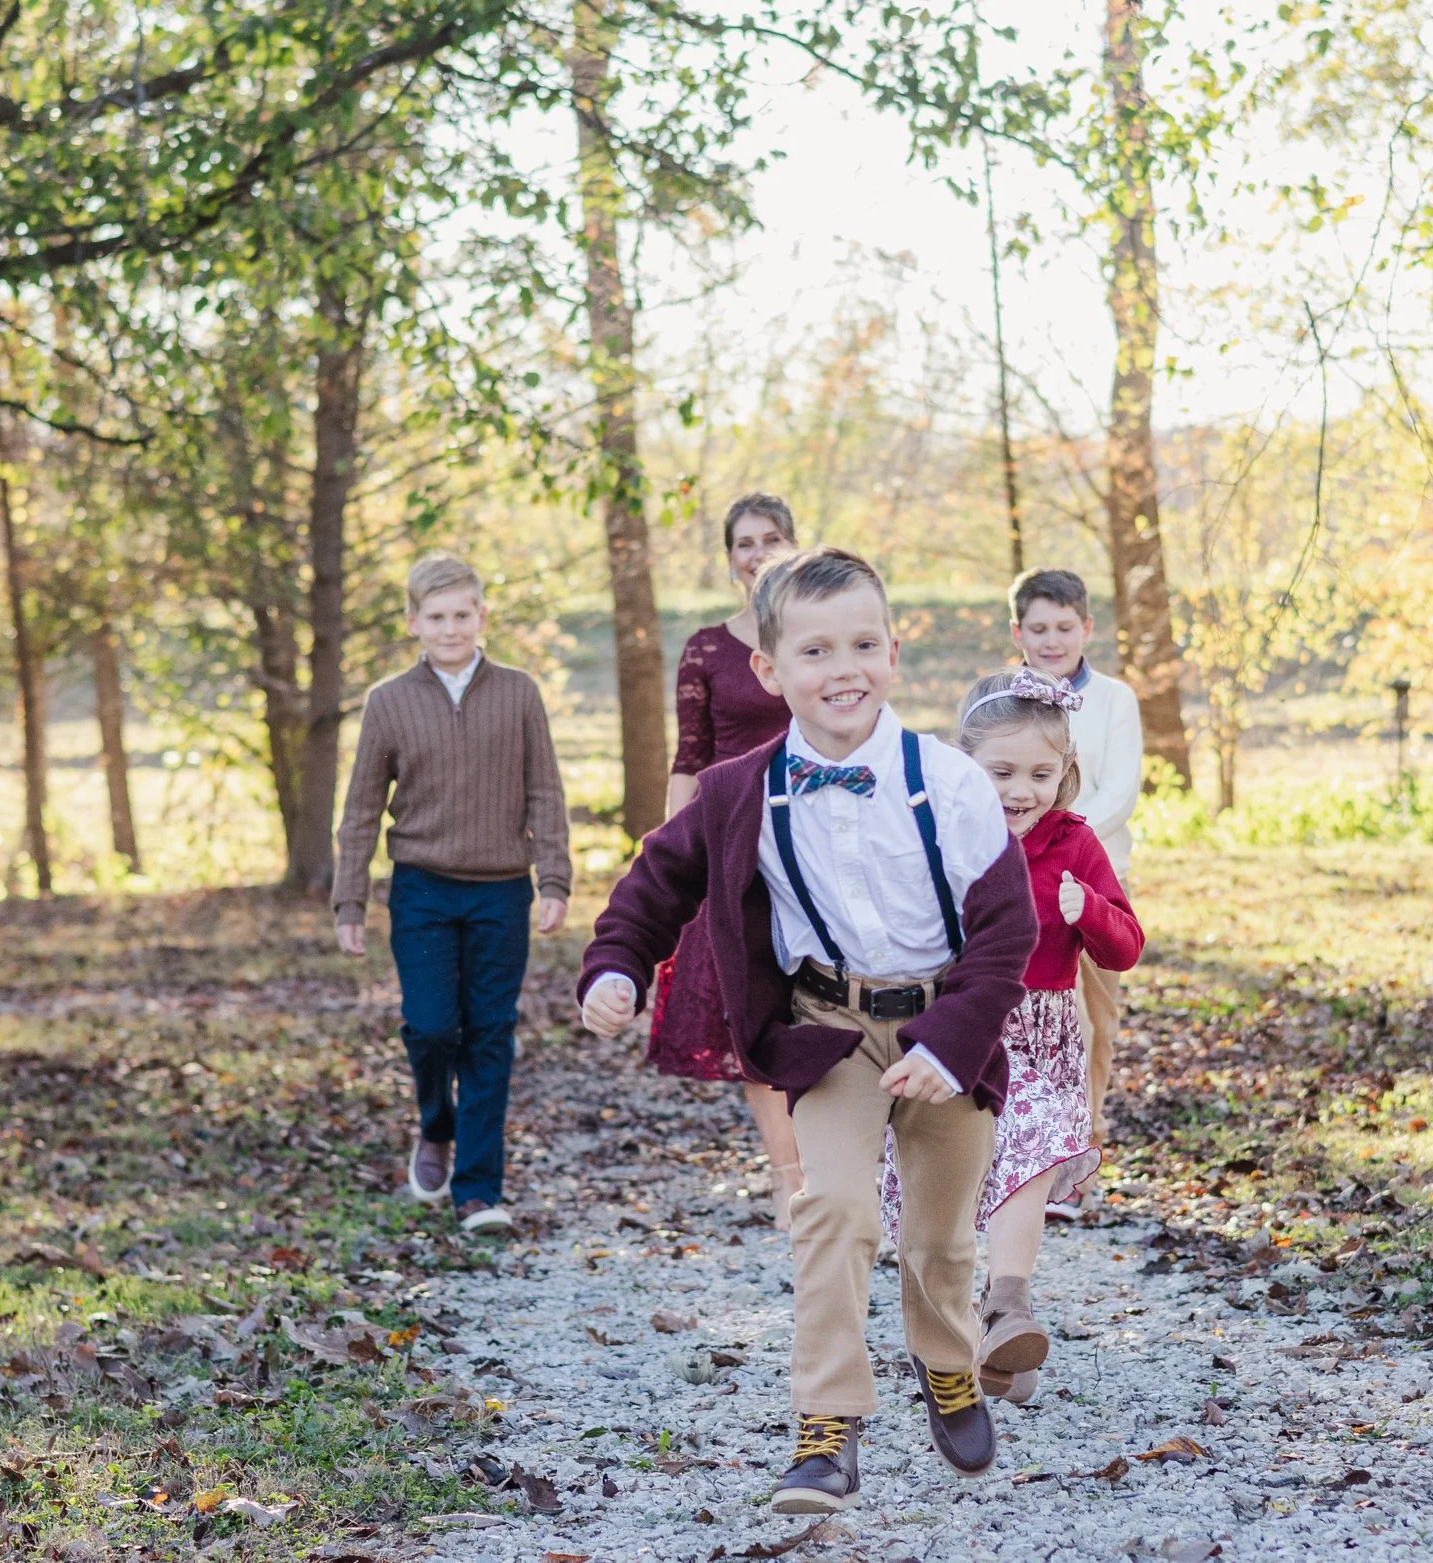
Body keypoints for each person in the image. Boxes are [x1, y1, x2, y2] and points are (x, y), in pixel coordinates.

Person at [576, 548, 1038, 1514]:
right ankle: (828, 1425)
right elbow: (656, 884)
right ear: (770, 669)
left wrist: (950, 1040)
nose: (844, 668)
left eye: (864, 644)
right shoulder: (741, 790)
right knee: (832, 1210)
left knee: (943, 1240)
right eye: (817, 648)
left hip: (947, 1027)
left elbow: (1007, 929)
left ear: (895, 652)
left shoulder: (946, 783)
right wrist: (616, 964)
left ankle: (947, 1363)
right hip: (829, 1030)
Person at [879, 668, 1145, 1404]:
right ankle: (975, 1336)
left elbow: (1124, 946)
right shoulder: (943, 831)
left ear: (1065, 773)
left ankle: (1009, 1303)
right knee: (954, 1187)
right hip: (962, 1022)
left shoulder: (1076, 842)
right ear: (966, 764)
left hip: (1046, 1029)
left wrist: (1086, 905)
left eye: (1040, 772)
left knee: (1026, 1150)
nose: (1020, 789)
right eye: (1001, 771)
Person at [333, 553, 571, 1234]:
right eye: (435, 617)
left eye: (462, 615)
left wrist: (554, 877)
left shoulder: (519, 692)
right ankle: (435, 1127)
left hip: (502, 890)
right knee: (433, 1027)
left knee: (490, 1032)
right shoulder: (389, 701)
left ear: (481, 616)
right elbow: (359, 809)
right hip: (423, 889)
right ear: (414, 622)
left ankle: (478, 1189)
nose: (450, 628)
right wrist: (350, 900)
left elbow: (545, 790)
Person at [653, 492, 802, 1224]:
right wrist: (670, 856)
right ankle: (789, 1171)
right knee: (752, 1012)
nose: (758, 552)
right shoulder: (708, 648)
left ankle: (844, 1159)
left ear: (796, 546)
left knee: (822, 1004)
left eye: (771, 538)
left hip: (814, 838)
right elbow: (690, 756)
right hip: (730, 842)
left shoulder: (816, 634)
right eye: (745, 542)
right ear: (729, 559)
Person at [1008, 568, 1141, 1202]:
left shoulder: (1114, 699)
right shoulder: (1003, 701)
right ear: (1019, 632)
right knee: (1023, 1015)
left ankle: (1078, 1146)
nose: (1052, 639)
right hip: (1017, 876)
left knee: (1094, 1019)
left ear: (1086, 628)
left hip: (1090, 876)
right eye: (1039, 628)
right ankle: (1022, 1148)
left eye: (1064, 628)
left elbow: (1121, 788)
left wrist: (1067, 838)